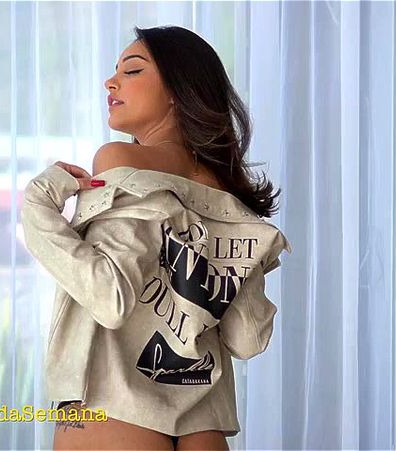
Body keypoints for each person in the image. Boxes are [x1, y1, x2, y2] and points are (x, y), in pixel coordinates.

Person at [20, 25, 291, 450]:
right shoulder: (226, 193)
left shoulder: (121, 158)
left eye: (131, 70)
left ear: (177, 91)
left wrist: (37, 203)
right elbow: (247, 338)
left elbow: (110, 296)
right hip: (204, 424)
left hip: (114, 406)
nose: (110, 82)